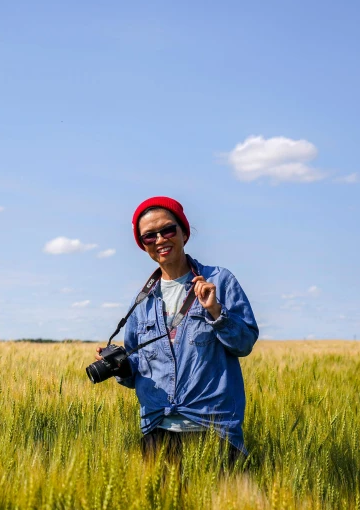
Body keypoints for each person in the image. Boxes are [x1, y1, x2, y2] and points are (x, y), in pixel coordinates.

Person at [95, 196, 259, 461]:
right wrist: (121, 367)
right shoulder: (142, 300)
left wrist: (216, 311)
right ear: (143, 245)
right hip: (157, 430)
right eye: (149, 236)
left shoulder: (219, 280)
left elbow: (245, 343)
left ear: (184, 232)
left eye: (168, 230)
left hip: (214, 429)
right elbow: (138, 367)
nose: (160, 240)